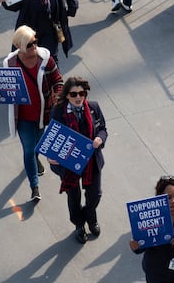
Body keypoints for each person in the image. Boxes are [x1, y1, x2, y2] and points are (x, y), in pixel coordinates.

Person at [0, 26, 63, 202]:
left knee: (37, 146)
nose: (34, 46)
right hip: (22, 117)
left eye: (35, 42)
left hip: (42, 114)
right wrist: (0, 94)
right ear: (19, 46)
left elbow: (58, 80)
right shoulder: (10, 63)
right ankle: (34, 187)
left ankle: (35, 161)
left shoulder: (46, 59)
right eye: (30, 44)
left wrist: (58, 94)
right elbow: (7, 89)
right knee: (29, 150)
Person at [49, 76, 108, 244]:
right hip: (69, 164)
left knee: (95, 194)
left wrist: (100, 139)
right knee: (73, 196)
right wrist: (51, 156)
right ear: (67, 95)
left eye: (81, 93)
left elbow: (103, 128)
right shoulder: (58, 112)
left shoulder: (94, 107)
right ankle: (79, 225)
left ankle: (91, 217)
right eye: (73, 94)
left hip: (91, 161)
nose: (78, 97)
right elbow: (53, 136)